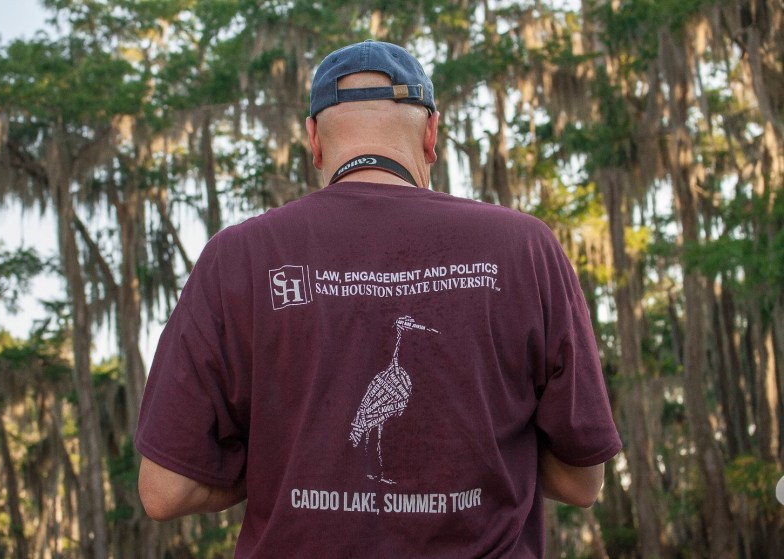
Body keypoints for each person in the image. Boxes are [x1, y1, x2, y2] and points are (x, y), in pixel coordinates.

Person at [136, 40, 622, 557]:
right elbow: (582, 482)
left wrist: (285, 466)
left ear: (313, 140)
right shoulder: (525, 248)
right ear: (432, 135)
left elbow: (166, 490)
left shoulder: (237, 256)